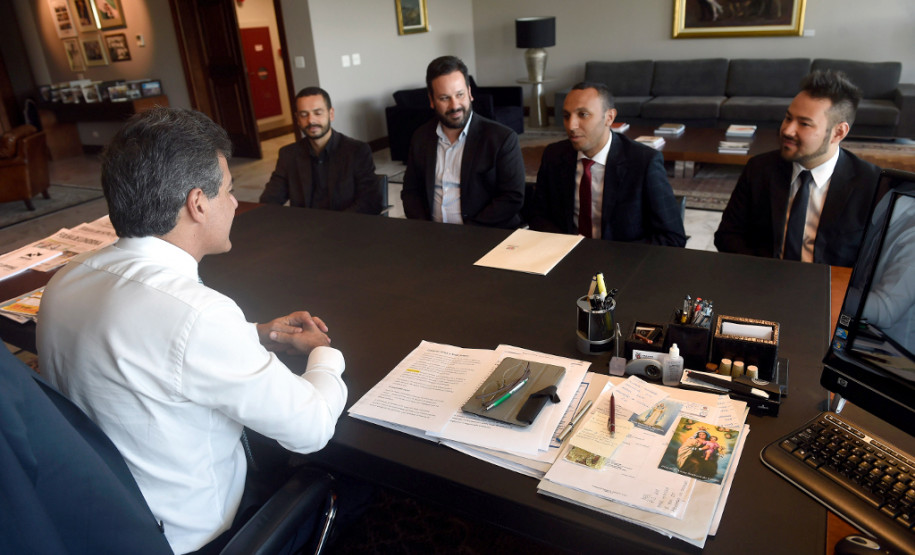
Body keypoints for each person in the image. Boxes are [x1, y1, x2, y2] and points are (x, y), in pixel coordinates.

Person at [37, 107, 348, 554]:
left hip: (103, 514)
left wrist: (257, 333)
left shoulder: (66, 279)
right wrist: (325, 356)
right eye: (230, 191)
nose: (237, 203)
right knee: (355, 493)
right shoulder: (198, 314)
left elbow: (153, 342)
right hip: (194, 535)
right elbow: (312, 427)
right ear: (197, 203)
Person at [714, 70, 881, 266]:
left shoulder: (872, 184)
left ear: (838, 133)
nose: (787, 130)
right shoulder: (759, 169)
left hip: (830, 288)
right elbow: (727, 236)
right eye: (788, 118)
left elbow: (879, 261)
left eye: (804, 124)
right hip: (764, 280)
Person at [529, 82, 687, 246]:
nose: (571, 126)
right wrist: (566, 245)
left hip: (623, 262)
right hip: (566, 257)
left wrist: (609, 256)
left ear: (609, 117)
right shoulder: (554, 155)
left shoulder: (643, 162)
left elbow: (672, 238)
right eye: (567, 116)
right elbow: (538, 216)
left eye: (583, 115)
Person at [400, 55, 525, 228]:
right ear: (431, 101)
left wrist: (467, 233)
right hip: (433, 237)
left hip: (486, 235)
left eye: (460, 95)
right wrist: (426, 229)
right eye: (444, 98)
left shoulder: (502, 139)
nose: (454, 105)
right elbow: (410, 192)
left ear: (470, 93)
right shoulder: (421, 137)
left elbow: (512, 198)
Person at [260, 86, 382, 214]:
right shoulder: (288, 154)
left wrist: (332, 226)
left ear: (331, 114)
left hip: (345, 227)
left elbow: (370, 202)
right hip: (304, 228)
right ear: (297, 119)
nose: (311, 120)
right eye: (304, 115)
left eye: (318, 113)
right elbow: (269, 199)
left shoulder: (357, 151)